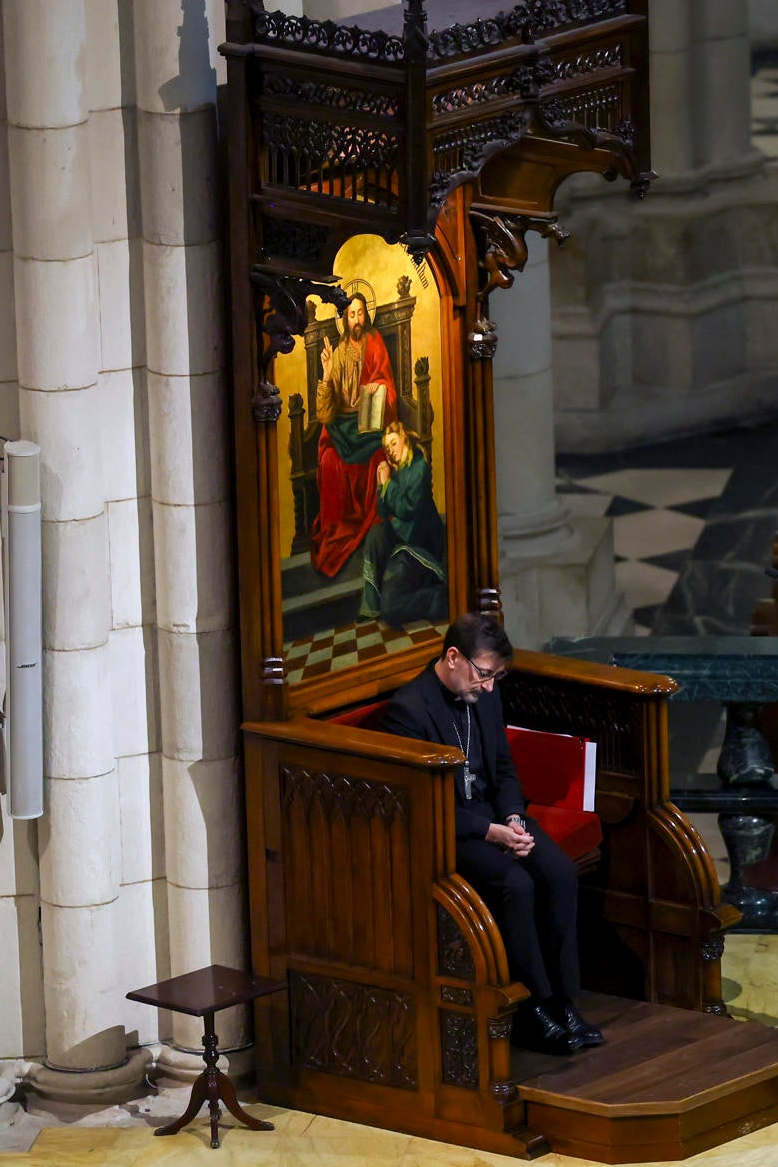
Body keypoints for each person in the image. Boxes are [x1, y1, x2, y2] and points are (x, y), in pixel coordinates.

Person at [383, 616, 601, 1056]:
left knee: (558, 873)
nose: (488, 686)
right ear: (453, 657)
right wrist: (489, 831)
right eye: (484, 674)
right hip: (451, 829)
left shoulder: (486, 697)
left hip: (496, 817)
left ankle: (565, 1002)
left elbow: (503, 768)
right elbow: (424, 804)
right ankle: (534, 1010)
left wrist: (515, 818)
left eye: (496, 677)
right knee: (516, 884)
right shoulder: (409, 710)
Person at [311, 291, 398, 578]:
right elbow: (325, 414)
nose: (356, 319)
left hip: (369, 427)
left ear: (366, 315)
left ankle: (374, 529)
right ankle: (337, 529)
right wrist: (326, 374)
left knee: (376, 460)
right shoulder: (336, 354)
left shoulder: (374, 343)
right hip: (343, 426)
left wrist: (378, 388)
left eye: (360, 313)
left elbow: (387, 382)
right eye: (351, 314)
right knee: (329, 462)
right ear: (344, 319)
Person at [359, 421, 447, 627]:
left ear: (404, 440)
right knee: (375, 534)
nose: (390, 451)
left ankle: (437, 597)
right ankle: (370, 605)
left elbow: (408, 509)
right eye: (387, 447)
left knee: (390, 609)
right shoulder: (397, 472)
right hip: (403, 543)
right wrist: (382, 484)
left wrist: (388, 484)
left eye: (393, 443)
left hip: (420, 548)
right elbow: (383, 512)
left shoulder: (420, 467)